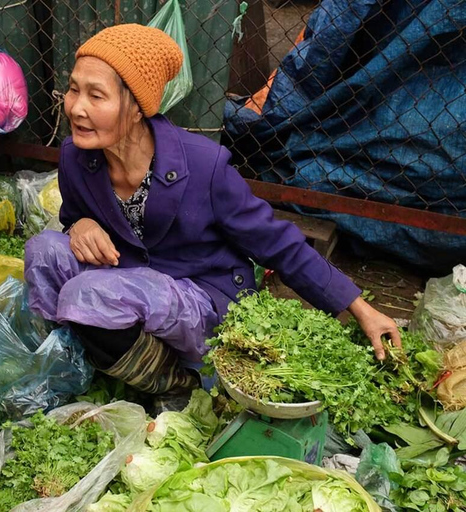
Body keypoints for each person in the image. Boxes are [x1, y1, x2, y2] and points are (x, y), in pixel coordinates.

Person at [24, 24, 402, 402]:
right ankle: (67, 363)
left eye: (97, 95)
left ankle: (175, 384)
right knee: (43, 250)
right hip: (128, 284)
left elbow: (276, 243)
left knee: (89, 293)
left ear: (138, 106)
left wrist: (358, 307)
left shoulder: (204, 167)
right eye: (73, 89)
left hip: (201, 296)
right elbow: (73, 216)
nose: (76, 107)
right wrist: (82, 224)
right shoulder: (77, 156)